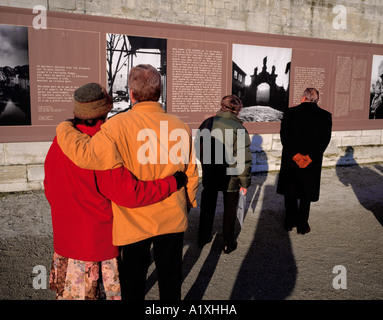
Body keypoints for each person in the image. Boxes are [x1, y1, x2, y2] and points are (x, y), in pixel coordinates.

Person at [55, 65, 199, 300]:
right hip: (172, 216)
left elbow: (85, 155)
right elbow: (191, 170)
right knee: (171, 280)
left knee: (133, 284)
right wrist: (189, 201)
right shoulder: (180, 126)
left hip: (134, 221)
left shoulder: (115, 126)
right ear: (159, 92)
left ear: (131, 93)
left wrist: (63, 127)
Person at [196, 95, 252, 254]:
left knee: (207, 205)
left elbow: (198, 148)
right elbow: (243, 159)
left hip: (211, 172)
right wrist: (245, 182)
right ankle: (227, 243)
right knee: (230, 208)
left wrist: (207, 164)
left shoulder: (207, 123)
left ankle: (203, 237)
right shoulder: (239, 129)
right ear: (237, 111)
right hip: (231, 175)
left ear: (222, 106)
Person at [277, 88, 332, 234]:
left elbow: (285, 137)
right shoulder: (325, 116)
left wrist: (295, 155)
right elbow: (324, 141)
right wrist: (309, 157)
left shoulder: (289, 113)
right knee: (306, 191)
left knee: (290, 190)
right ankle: (302, 224)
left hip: (291, 158)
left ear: (303, 98)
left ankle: (289, 221)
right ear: (316, 100)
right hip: (311, 161)